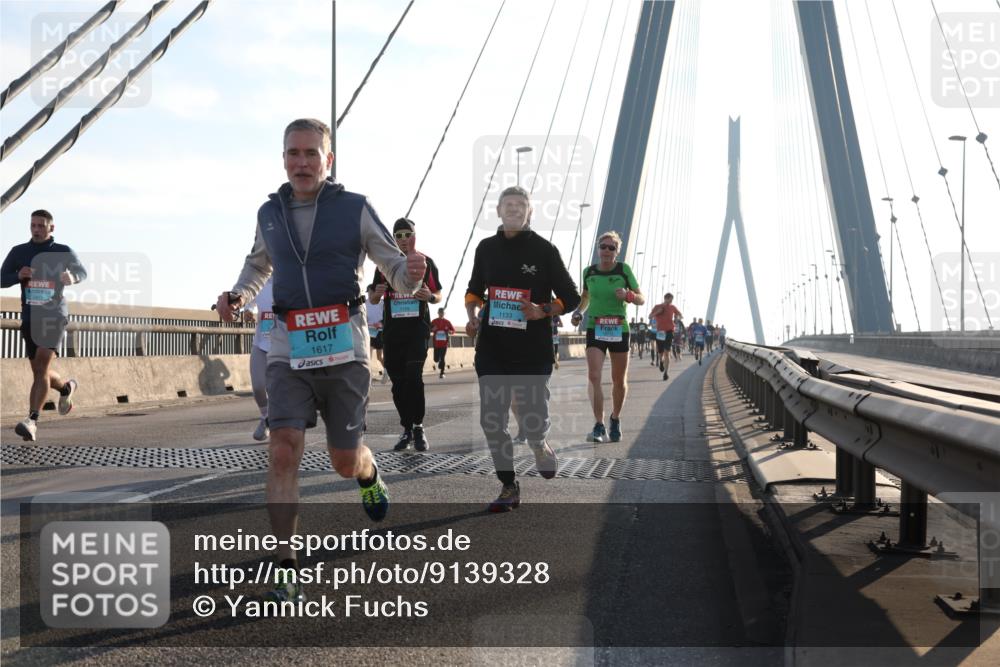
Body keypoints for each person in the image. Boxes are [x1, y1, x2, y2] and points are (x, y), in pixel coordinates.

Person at [216, 118, 425, 603]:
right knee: (284, 447)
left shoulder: (355, 208)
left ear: (328, 161)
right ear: (283, 158)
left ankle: (368, 472)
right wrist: (238, 295)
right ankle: (286, 562)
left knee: (342, 461)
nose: (302, 162)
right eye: (294, 153)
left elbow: (392, 266)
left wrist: (409, 276)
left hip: (343, 345)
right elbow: (257, 263)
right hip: (289, 342)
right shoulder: (270, 212)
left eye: (312, 153)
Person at [465, 185, 580, 512]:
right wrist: (472, 318)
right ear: (499, 211)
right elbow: (474, 291)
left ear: (529, 212)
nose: (514, 209)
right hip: (492, 349)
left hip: (533, 350)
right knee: (492, 421)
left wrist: (542, 310)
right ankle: (508, 485)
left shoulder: (545, 251)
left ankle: (539, 445)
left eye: (521, 205)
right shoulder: (485, 248)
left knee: (531, 423)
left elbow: (570, 298)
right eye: (508, 204)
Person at [1, 209, 87, 442]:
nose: (36, 229)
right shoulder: (19, 252)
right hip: (30, 318)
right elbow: (1, 278)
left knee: (41, 368)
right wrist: (18, 274)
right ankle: (66, 388)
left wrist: (73, 278)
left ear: (51, 228)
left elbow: (82, 272)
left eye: (41, 225)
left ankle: (31, 421)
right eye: (33, 225)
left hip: (54, 316)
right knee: (41, 371)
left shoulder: (62, 251)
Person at [369, 218, 442, 452]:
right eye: (397, 235)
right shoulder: (384, 265)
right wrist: (376, 293)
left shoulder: (425, 262)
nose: (402, 239)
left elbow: (438, 294)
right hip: (393, 332)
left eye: (406, 234)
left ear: (414, 235)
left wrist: (429, 297)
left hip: (417, 330)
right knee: (398, 384)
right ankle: (407, 429)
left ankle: (419, 426)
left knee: (414, 377)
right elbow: (371, 296)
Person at [571, 231, 644, 443]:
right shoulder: (589, 272)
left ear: (617, 251)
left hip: (619, 328)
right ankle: (598, 424)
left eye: (611, 247)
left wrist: (628, 295)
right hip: (596, 326)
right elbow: (585, 298)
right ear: (598, 249)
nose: (606, 251)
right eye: (603, 246)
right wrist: (578, 313)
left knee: (618, 380)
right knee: (594, 376)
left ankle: (615, 418)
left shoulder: (624, 270)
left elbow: (641, 298)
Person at [246, 278, 274, 441]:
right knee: (258, 386)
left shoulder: (289, 276)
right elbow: (249, 300)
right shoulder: (260, 280)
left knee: (278, 390)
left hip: (284, 345)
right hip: (261, 343)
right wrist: (248, 310)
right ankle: (266, 417)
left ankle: (275, 426)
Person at [648, 293, 683, 380]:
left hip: (669, 331)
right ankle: (661, 361)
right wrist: (657, 312)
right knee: (660, 352)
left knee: (667, 352)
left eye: (671, 300)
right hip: (660, 332)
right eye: (670, 300)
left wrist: (677, 317)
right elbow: (650, 316)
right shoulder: (657, 306)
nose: (670, 302)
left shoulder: (672, 307)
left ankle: (666, 373)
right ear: (665, 298)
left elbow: (680, 315)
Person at [365, 287, 388, 384]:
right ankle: (368, 378)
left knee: (379, 357)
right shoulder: (365, 303)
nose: (369, 294)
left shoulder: (382, 303)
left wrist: (381, 323)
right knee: (368, 355)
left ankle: (387, 372)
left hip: (379, 332)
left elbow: (387, 315)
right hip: (369, 331)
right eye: (368, 293)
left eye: (371, 292)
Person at [430, 307, 455, 378]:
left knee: (443, 357)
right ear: (438, 313)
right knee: (436, 359)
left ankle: (442, 372)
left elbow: (453, 330)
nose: (441, 314)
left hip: (444, 344)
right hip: (436, 344)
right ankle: (439, 362)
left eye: (442, 313)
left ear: (444, 314)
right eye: (440, 313)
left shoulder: (447, 322)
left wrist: (451, 331)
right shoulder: (434, 321)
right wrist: (432, 329)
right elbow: (428, 329)